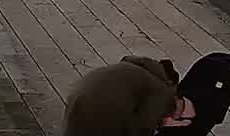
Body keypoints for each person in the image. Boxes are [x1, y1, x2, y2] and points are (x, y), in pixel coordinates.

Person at [62, 56, 192, 136]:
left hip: (80, 93)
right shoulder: (163, 93)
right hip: (102, 109)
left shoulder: (139, 69)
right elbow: (143, 125)